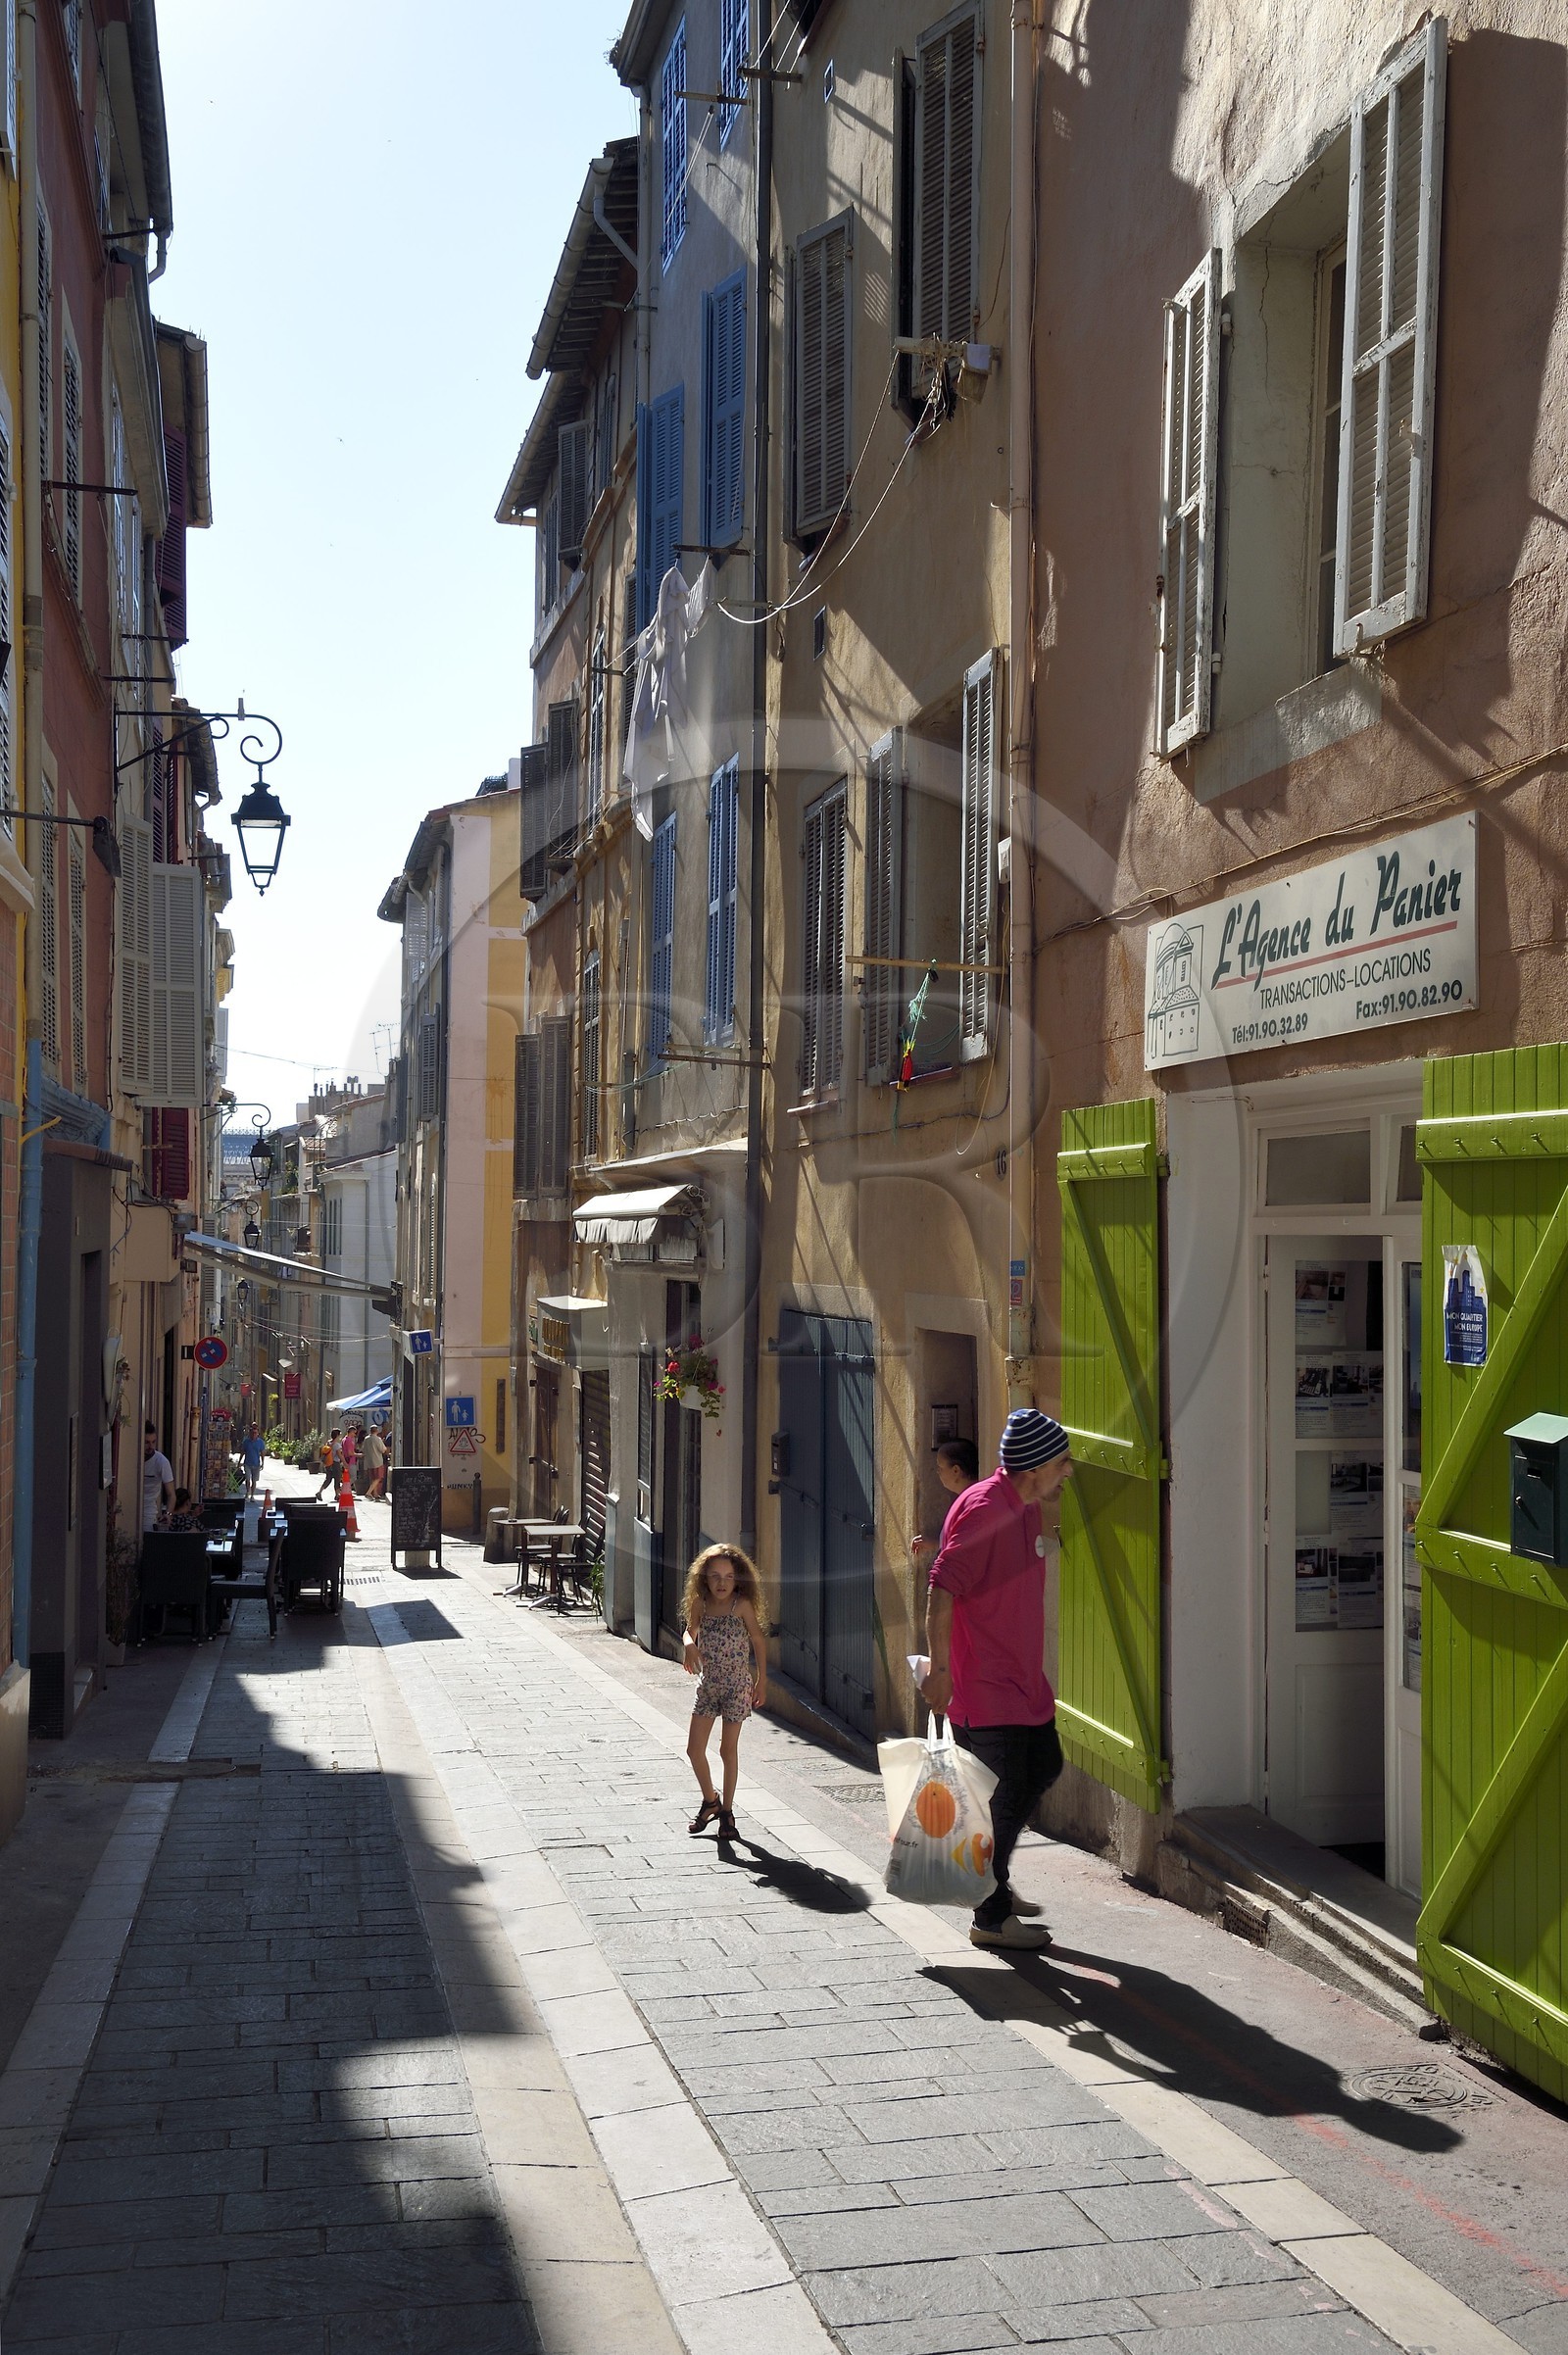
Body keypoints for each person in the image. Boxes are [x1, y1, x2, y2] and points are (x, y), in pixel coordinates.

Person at [921, 1407, 1074, 1951]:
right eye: (1062, 1461)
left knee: (1042, 1767)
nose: (1070, 1471)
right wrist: (940, 1670)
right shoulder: (987, 1509)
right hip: (985, 1688)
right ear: (1033, 1467)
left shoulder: (1025, 1507)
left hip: (1021, 1683)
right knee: (1000, 1799)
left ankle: (997, 1882)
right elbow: (941, 1587)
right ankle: (990, 1916)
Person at [682, 1545, 768, 1842]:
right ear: (704, 1578)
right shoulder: (700, 1604)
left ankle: (727, 1812)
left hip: (737, 1687)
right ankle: (710, 1801)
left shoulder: (741, 1605)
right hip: (709, 1686)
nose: (721, 1582)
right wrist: (689, 1643)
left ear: (737, 1579)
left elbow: (758, 1640)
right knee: (694, 1750)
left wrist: (762, 1681)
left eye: (728, 1576)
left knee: (726, 1751)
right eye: (715, 1576)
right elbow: (689, 1630)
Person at [911, 1436, 979, 1563]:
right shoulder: (965, 1501)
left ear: (956, 1470)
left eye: (941, 1467)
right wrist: (936, 1544)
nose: (938, 1472)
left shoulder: (972, 1505)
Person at [141, 1422, 173, 1534]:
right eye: (146, 1442)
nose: (150, 1446)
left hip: (149, 1511)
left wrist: (168, 1514)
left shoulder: (161, 1462)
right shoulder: (132, 1457)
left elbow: (171, 1494)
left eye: (153, 1442)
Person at [361, 1423, 387, 1500]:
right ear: (377, 1431)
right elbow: (383, 1449)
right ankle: (369, 1492)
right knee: (378, 1477)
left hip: (369, 1461)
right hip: (377, 1461)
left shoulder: (366, 1439)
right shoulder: (377, 1439)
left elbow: (363, 1449)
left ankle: (375, 1493)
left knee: (373, 1478)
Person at [314, 1428, 340, 1500]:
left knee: (328, 1479)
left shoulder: (328, 1443)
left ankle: (320, 1492)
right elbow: (339, 1455)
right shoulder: (337, 1445)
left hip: (328, 1464)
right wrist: (344, 1462)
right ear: (337, 1435)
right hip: (335, 1463)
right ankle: (337, 1495)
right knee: (337, 1479)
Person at [240, 1427, 266, 1496]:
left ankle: (252, 1495)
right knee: (247, 1479)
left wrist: (262, 1463)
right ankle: (247, 1491)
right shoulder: (246, 1442)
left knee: (254, 1481)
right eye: (252, 1433)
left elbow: (262, 1453)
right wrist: (239, 1462)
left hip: (256, 1464)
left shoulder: (260, 1442)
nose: (254, 1434)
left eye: (255, 1433)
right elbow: (242, 1452)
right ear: (250, 1434)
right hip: (247, 1463)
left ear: (258, 1434)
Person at [340, 1423, 360, 1492]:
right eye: (354, 1433)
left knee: (348, 1477)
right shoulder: (349, 1440)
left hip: (346, 1460)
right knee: (353, 1477)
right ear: (351, 1432)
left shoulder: (344, 1439)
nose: (355, 1435)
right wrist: (359, 1455)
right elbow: (350, 1453)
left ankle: (348, 1491)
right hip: (351, 1461)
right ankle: (342, 1488)